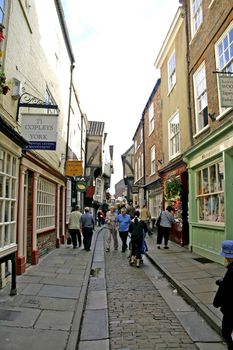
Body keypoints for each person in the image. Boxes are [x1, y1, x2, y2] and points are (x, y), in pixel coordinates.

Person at [213, 240, 233, 350]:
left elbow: (225, 290)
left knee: (226, 331)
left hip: (231, 309)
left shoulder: (231, 270)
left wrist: (216, 303)